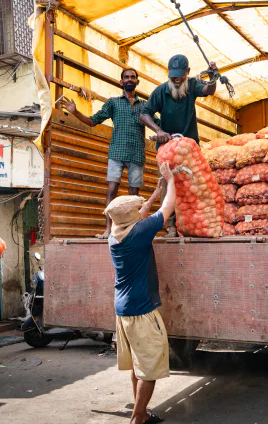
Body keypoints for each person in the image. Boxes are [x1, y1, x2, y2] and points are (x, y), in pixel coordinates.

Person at [105, 162, 175, 424]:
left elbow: (142, 212)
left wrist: (157, 189)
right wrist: (171, 181)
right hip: (142, 310)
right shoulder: (140, 234)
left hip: (122, 311)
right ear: (133, 218)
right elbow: (167, 210)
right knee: (150, 368)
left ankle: (141, 411)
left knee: (138, 364)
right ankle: (138, 418)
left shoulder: (116, 234)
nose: (141, 210)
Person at [59, 68, 159, 238]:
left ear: (137, 82)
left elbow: (157, 123)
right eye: (126, 77)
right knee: (111, 190)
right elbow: (92, 121)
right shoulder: (113, 103)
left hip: (137, 154)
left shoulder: (145, 106)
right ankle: (108, 230)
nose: (129, 79)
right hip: (116, 153)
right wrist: (75, 112)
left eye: (132, 77)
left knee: (133, 195)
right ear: (121, 82)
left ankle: (130, 230)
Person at [140, 54, 218, 237]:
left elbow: (209, 90)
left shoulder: (192, 85)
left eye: (180, 75)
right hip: (167, 149)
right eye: (172, 76)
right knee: (167, 184)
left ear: (187, 72)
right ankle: (171, 227)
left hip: (190, 147)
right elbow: (144, 114)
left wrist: (214, 77)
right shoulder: (160, 91)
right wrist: (158, 130)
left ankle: (194, 225)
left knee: (193, 184)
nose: (176, 79)